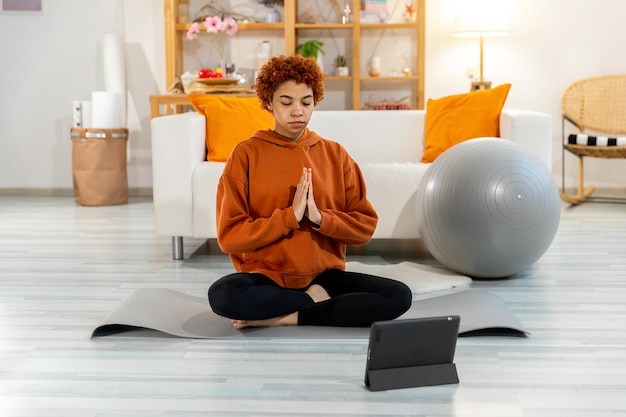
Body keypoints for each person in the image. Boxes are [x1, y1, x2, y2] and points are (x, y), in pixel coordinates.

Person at [208, 54, 412, 329]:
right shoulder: (246, 154)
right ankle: (313, 303)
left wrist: (319, 218)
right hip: (267, 277)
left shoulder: (335, 154)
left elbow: (364, 227)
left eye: (306, 102)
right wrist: (289, 217)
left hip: (325, 278)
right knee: (222, 295)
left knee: (398, 296)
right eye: (286, 102)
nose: (297, 111)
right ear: (268, 102)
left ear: (315, 102)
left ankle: (288, 316)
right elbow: (229, 236)